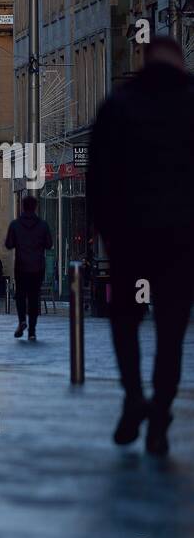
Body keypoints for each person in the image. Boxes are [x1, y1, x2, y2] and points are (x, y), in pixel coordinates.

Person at [88, 34, 194, 456]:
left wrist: (109, 232)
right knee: (171, 330)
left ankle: (133, 395)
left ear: (145, 61)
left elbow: (98, 178)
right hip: (181, 243)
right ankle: (161, 413)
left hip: (131, 240)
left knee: (126, 321)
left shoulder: (119, 104)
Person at [4, 196, 52, 339]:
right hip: (37, 266)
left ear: (22, 207)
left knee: (20, 295)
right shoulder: (43, 225)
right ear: (35, 207)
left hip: (22, 265)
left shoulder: (15, 224)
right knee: (33, 297)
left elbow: (9, 244)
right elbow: (49, 245)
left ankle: (22, 321)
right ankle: (32, 331)